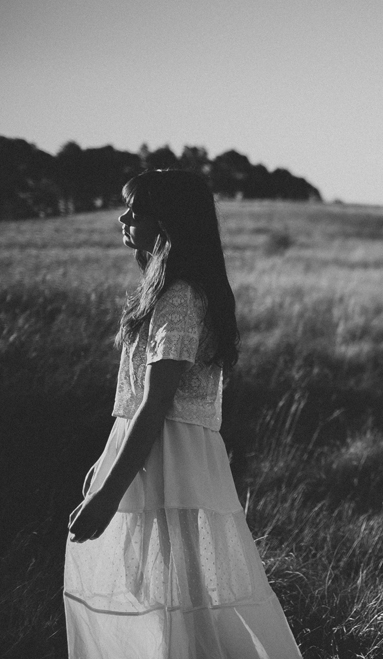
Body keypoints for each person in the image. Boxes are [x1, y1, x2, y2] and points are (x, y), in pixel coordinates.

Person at [64, 170, 301, 658]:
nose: (122, 217)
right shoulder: (169, 291)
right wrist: (108, 458)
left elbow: (157, 403)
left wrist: (108, 496)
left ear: (168, 222)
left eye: (135, 209)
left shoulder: (179, 298)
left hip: (171, 459)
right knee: (168, 590)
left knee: (180, 593)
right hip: (155, 453)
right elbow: (137, 403)